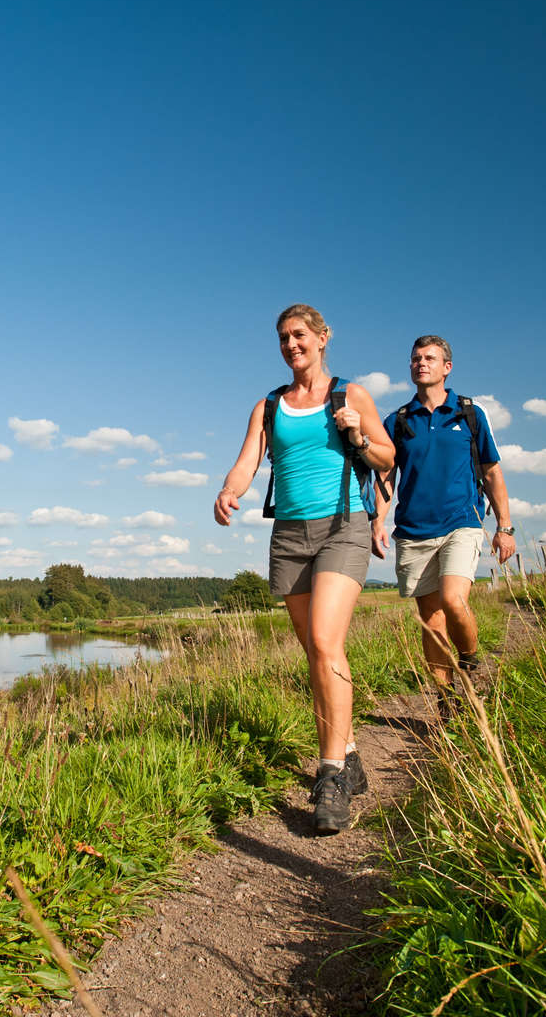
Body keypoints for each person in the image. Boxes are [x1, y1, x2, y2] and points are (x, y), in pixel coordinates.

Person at [214, 304, 394, 835]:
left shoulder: (350, 394)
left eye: (300, 336)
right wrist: (229, 490)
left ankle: (331, 775)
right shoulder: (269, 405)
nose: (292, 345)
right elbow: (249, 458)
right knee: (312, 649)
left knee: (324, 640)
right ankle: (351, 751)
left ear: (322, 338)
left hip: (344, 525)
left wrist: (359, 432)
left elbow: (386, 459)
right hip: (289, 535)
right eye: (283, 338)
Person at [371, 334, 515, 719]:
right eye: (416, 358)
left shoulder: (469, 413)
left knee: (454, 601)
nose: (421, 364)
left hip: (461, 522)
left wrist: (505, 526)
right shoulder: (398, 421)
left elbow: (492, 470)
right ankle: (447, 701)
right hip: (414, 530)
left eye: (430, 358)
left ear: (446, 367)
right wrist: (378, 520)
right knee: (431, 621)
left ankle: (470, 661)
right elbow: (386, 476)